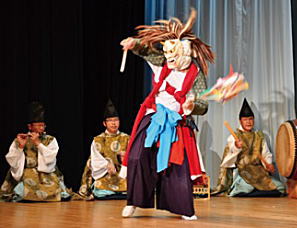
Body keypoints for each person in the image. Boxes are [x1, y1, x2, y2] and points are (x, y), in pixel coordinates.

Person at [119, 9, 214, 220]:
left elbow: (203, 104)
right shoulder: (162, 62)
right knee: (137, 156)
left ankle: (183, 208)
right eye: (167, 55)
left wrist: (192, 106)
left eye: (174, 56)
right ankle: (134, 201)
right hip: (154, 116)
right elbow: (144, 50)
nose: (169, 59)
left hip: (176, 122)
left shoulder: (195, 74)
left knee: (177, 165)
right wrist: (132, 43)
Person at [212, 98, 285, 197]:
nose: (248, 122)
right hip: (243, 171)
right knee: (246, 188)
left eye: (251, 119)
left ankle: (256, 191)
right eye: (245, 120)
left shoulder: (259, 136)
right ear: (240, 121)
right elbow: (229, 158)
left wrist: (268, 164)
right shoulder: (234, 137)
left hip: (258, 171)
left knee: (280, 188)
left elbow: (266, 154)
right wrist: (236, 147)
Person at [0, 102, 72, 202]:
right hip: (26, 172)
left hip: (46, 172)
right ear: (30, 126)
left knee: (54, 190)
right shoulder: (20, 139)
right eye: (39, 125)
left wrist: (38, 144)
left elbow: (51, 157)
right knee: (23, 190)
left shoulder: (50, 139)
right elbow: (12, 160)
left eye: (43, 126)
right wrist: (20, 146)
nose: (42, 128)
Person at [78, 99, 130, 200]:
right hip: (105, 173)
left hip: (123, 173)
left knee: (129, 184)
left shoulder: (127, 138)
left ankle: (119, 193)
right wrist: (106, 164)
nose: (113, 123)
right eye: (110, 121)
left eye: (116, 120)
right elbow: (95, 159)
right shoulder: (98, 139)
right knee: (99, 185)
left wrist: (126, 157)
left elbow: (134, 156)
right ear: (104, 123)